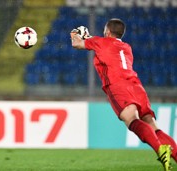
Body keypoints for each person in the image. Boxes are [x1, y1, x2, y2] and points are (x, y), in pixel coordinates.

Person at [70, 18, 177, 171]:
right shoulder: (126, 47)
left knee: (132, 120)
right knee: (153, 125)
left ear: (107, 31)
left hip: (118, 86)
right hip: (136, 85)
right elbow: (102, 45)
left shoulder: (101, 41)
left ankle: (160, 150)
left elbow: (77, 44)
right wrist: (87, 36)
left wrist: (75, 33)